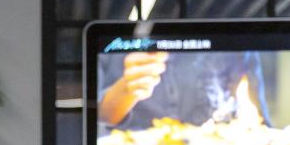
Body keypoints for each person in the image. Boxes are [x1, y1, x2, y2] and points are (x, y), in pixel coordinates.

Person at [98, 50, 272, 129]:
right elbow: (98, 115)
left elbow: (258, 121)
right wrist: (128, 88)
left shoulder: (237, 46)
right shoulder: (115, 46)